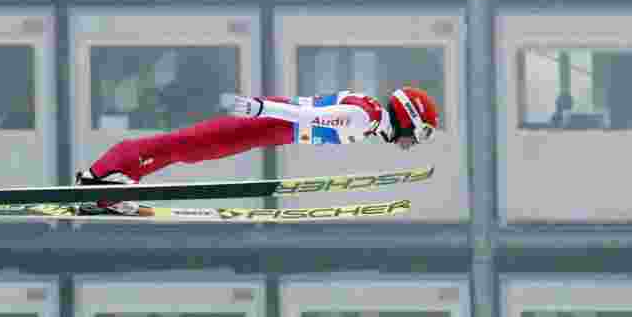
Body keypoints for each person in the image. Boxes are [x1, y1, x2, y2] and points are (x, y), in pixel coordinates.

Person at [75, 87, 440, 214]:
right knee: (183, 145)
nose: (412, 144)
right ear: (408, 118)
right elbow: (306, 115)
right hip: (268, 125)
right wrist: (261, 108)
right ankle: (100, 177)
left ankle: (110, 186)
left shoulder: (370, 116)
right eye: (418, 134)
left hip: (271, 131)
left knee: (185, 151)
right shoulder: (365, 118)